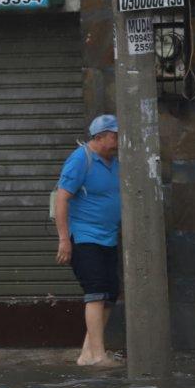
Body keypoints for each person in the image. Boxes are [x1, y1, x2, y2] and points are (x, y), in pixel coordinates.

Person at [54, 114, 122, 367]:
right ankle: (99, 356)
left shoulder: (113, 162)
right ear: (100, 136)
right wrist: (64, 240)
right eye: (114, 137)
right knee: (95, 293)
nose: (118, 142)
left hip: (108, 237)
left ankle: (86, 353)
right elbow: (61, 199)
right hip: (84, 237)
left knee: (109, 294)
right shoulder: (81, 160)